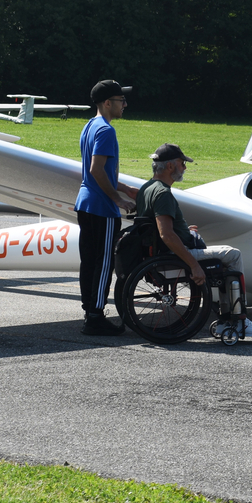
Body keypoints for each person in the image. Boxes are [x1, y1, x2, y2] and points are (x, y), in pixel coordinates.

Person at [136, 143, 252, 338]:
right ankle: (237, 320)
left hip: (162, 252)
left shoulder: (147, 188)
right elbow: (166, 235)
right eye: (182, 163)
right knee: (232, 254)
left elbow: (161, 230)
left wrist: (184, 231)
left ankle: (229, 314)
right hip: (173, 255)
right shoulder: (163, 194)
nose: (185, 168)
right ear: (171, 167)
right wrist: (194, 265)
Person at [76, 80, 141, 336]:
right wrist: (118, 198)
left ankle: (90, 311)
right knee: (103, 264)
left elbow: (97, 172)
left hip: (86, 203)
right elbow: (96, 170)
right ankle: (95, 317)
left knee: (89, 262)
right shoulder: (106, 131)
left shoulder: (90, 126)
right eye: (120, 100)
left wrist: (125, 188)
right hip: (102, 208)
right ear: (107, 103)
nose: (125, 104)